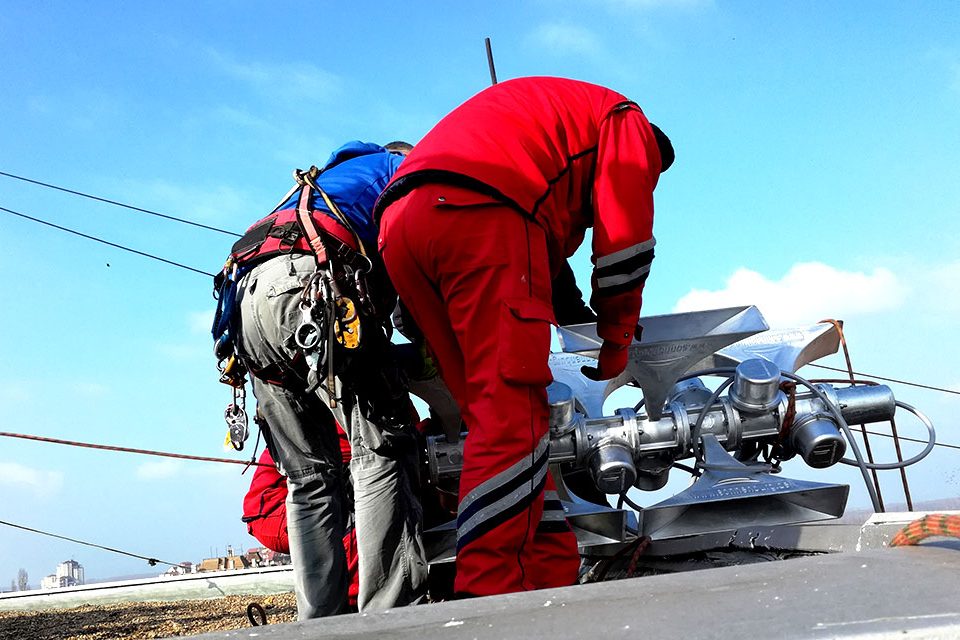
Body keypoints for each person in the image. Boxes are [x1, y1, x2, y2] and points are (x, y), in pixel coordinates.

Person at [374, 76, 674, 598]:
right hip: (478, 213)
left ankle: (548, 565)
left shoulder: (547, 123)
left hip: (401, 226)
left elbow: (555, 254)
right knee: (513, 415)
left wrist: (575, 309)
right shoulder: (626, 122)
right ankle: (489, 595)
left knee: (497, 423)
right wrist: (617, 335)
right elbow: (624, 242)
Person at [226, 141, 427, 619]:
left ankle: (318, 623)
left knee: (307, 478)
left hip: (243, 309)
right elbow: (414, 271)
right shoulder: (401, 169)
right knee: (383, 448)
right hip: (309, 283)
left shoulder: (312, 189)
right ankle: (389, 619)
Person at [242, 447, 360, 609]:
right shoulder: (340, 427)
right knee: (358, 525)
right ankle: (354, 601)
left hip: (267, 511)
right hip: (274, 510)